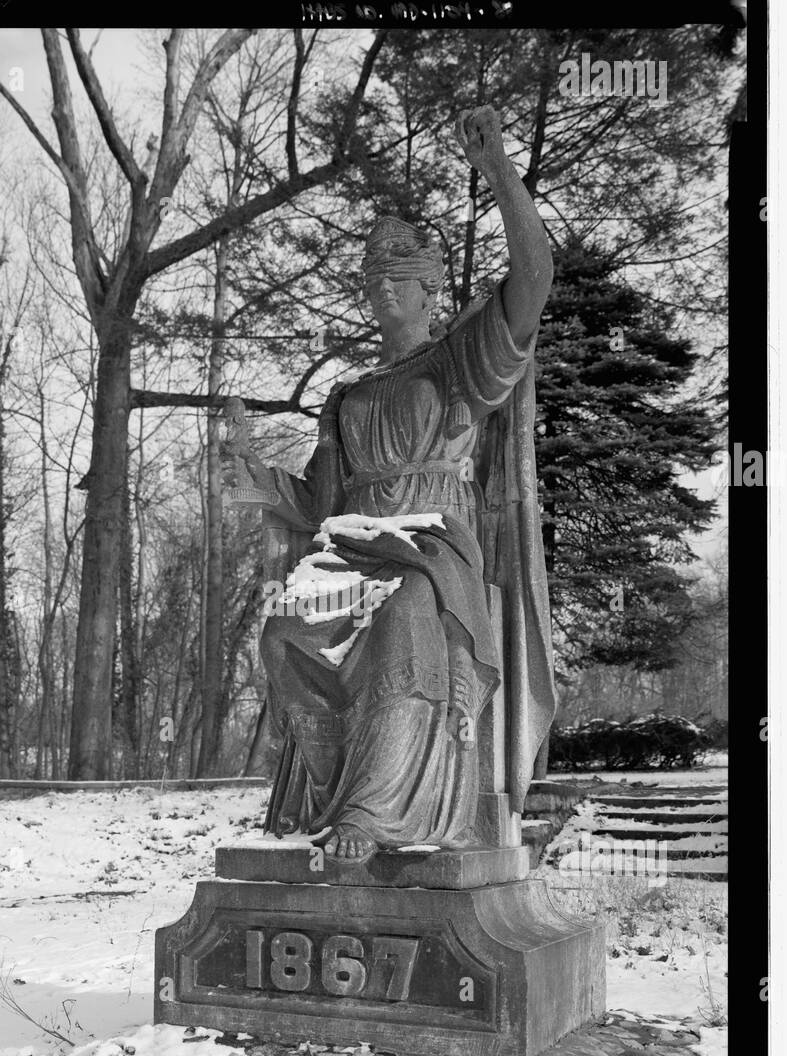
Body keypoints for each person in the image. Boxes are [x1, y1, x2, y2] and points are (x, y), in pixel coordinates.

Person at [223, 106, 556, 864]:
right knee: (283, 634)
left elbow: (533, 278)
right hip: (350, 546)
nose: (381, 290)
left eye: (397, 278)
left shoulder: (457, 363)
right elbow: (317, 501)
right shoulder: (348, 395)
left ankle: (374, 814)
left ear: (429, 286)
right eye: (371, 279)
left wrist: (500, 173)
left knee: (404, 619)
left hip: (431, 548)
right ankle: (326, 796)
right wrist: (256, 479)